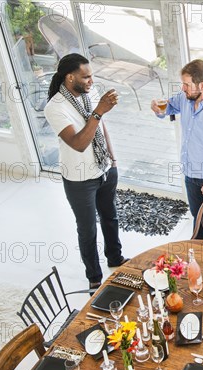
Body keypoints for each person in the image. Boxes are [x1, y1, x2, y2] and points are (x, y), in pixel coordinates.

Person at [44, 53, 129, 289]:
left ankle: (116, 258)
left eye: (92, 75)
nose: (91, 80)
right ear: (70, 77)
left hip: (104, 169)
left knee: (110, 218)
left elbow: (101, 127)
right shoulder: (55, 107)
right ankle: (94, 277)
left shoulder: (88, 94)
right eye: (86, 77)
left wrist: (112, 160)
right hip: (80, 179)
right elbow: (79, 143)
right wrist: (99, 111)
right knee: (88, 229)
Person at [150, 59, 203, 239]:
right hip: (191, 174)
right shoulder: (186, 98)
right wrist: (159, 109)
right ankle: (202, 251)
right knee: (199, 219)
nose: (182, 88)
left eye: (187, 85)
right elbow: (170, 106)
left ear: (202, 85)